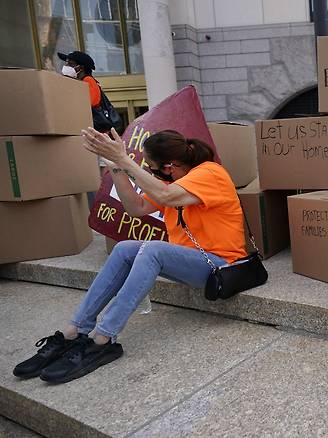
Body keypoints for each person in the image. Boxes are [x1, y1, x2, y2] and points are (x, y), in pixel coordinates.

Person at [13, 128, 246, 384]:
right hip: (190, 262)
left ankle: (103, 338)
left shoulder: (210, 173)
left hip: (220, 266)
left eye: (152, 168)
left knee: (154, 249)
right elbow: (136, 208)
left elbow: (166, 196)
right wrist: (116, 166)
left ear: (170, 166)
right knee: (124, 248)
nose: (150, 171)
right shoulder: (171, 181)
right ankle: (75, 330)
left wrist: (125, 160)